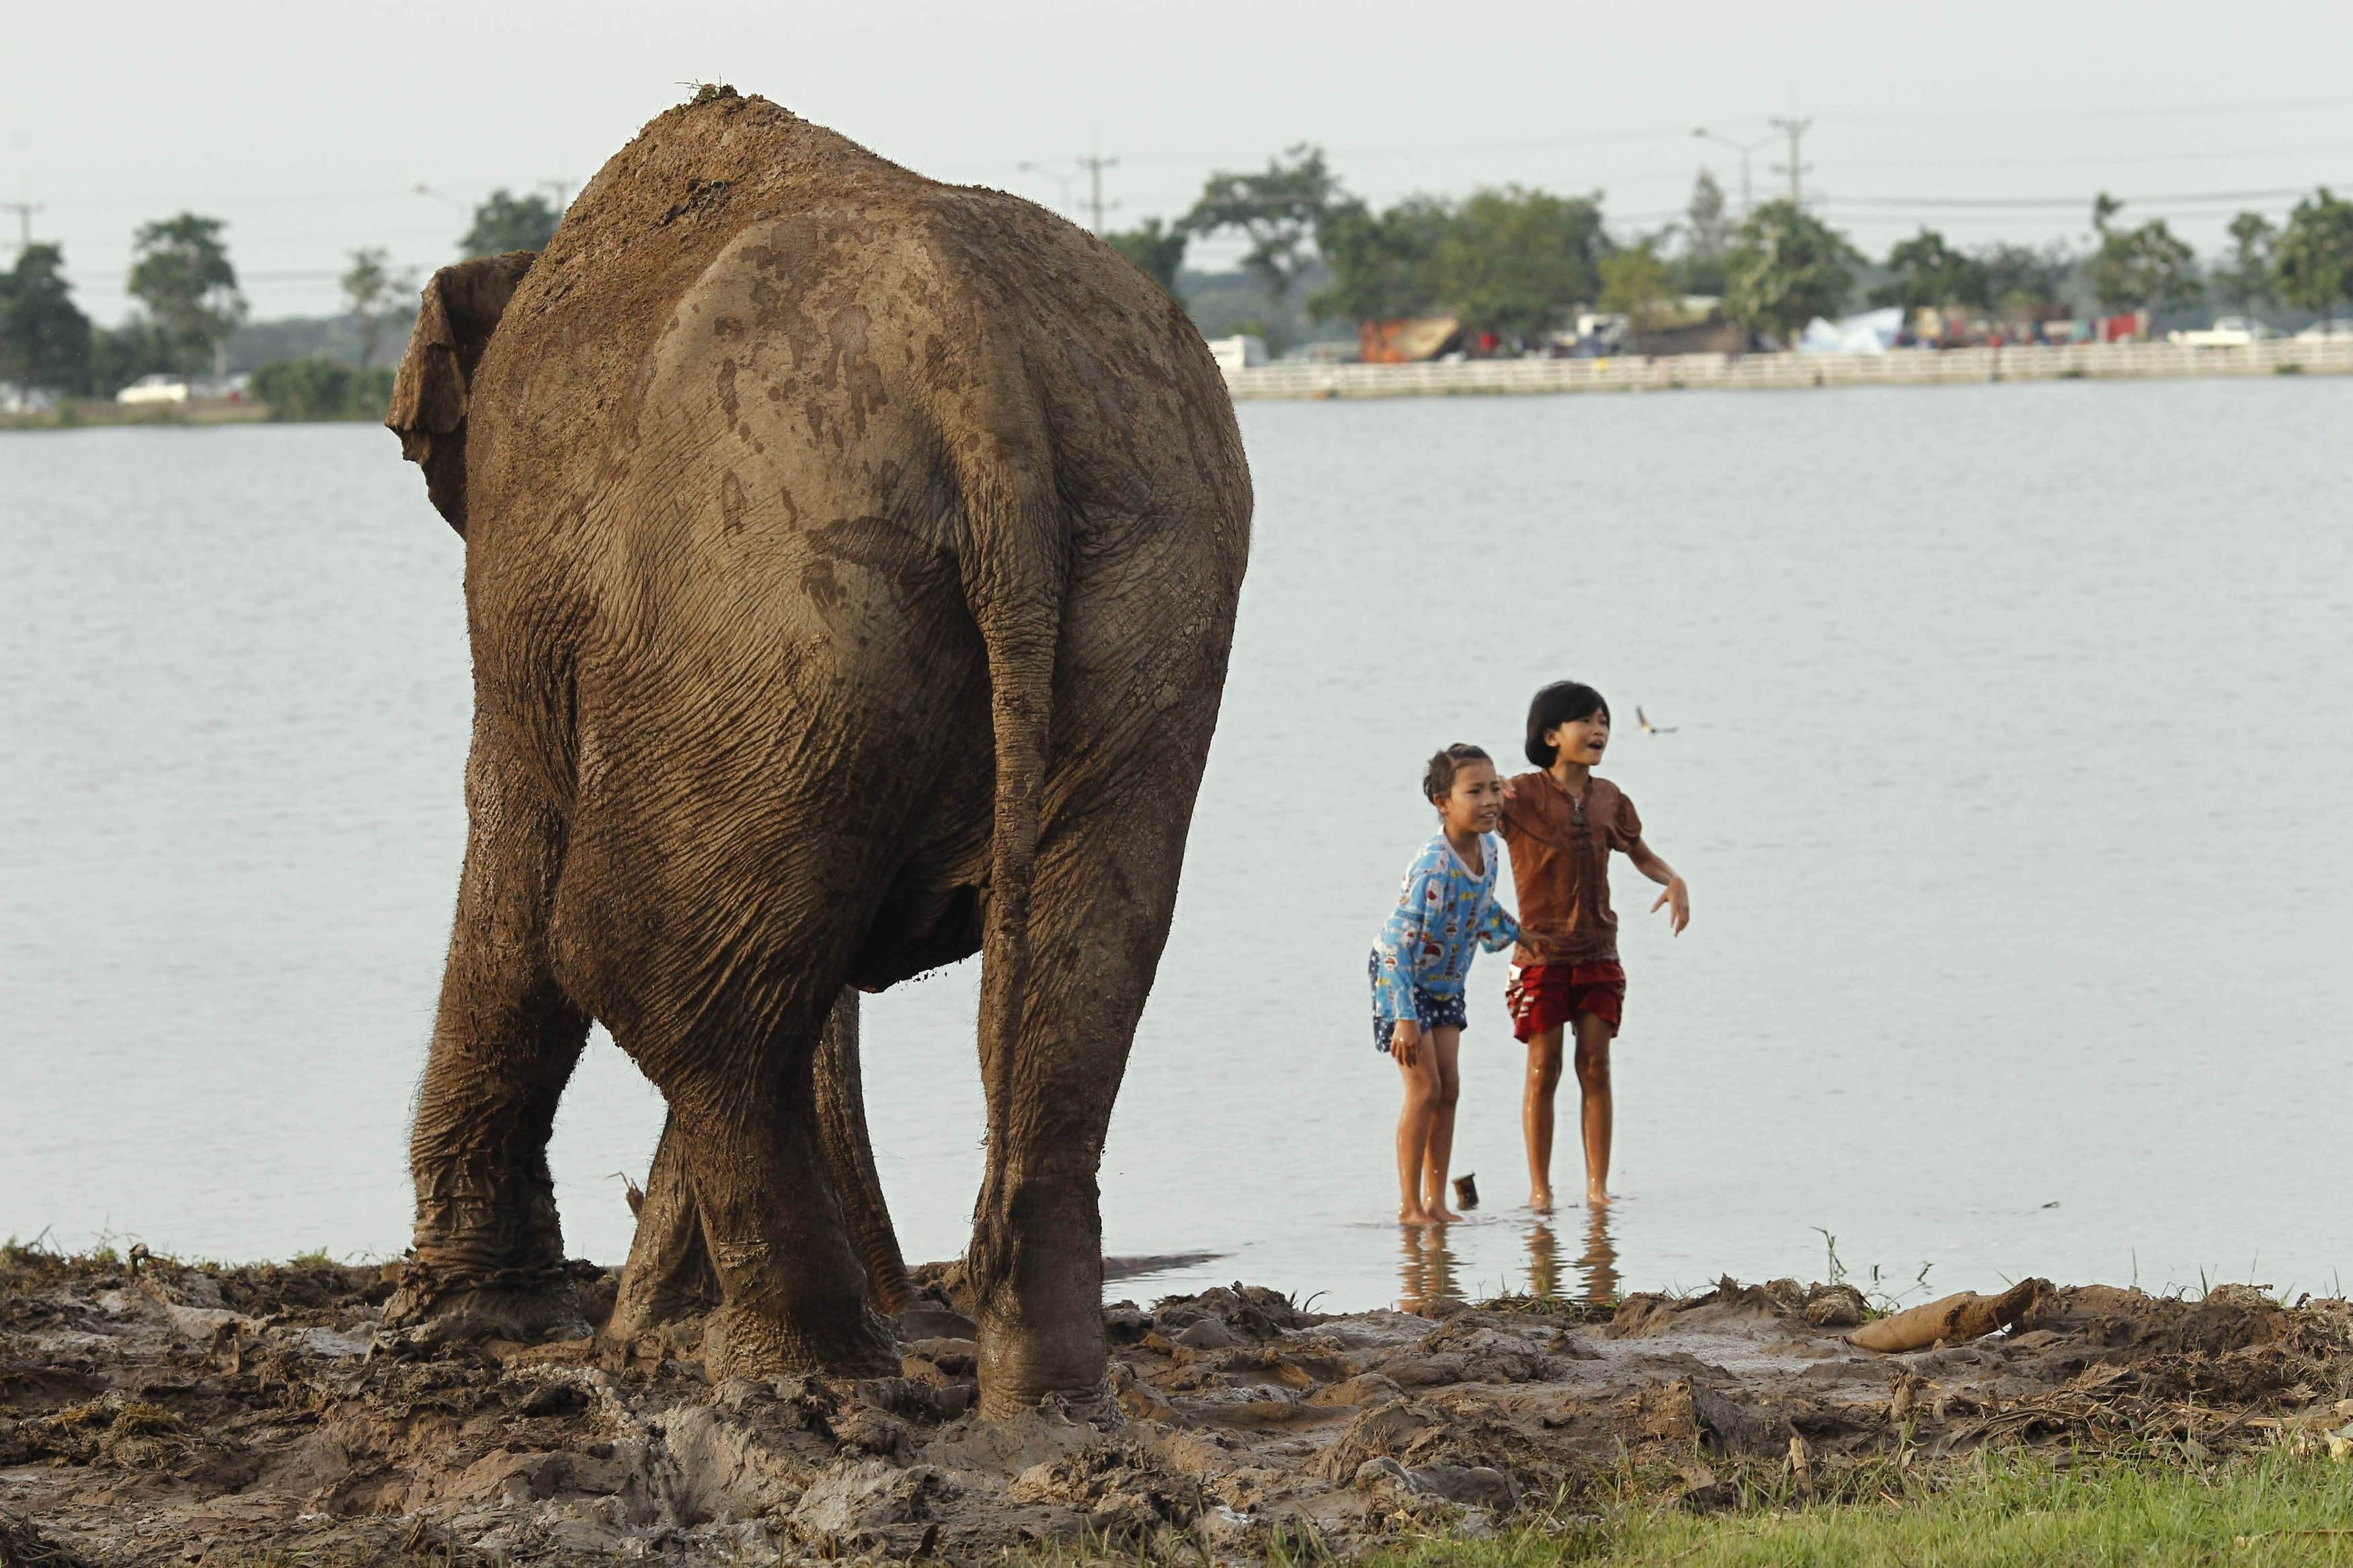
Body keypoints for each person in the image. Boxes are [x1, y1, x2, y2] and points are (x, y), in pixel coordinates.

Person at [1499, 683, 1689, 1210]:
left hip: (1599, 951)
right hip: (1540, 955)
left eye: (1604, 719)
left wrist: (1672, 879)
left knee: (1596, 1066)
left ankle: (1597, 1190)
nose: (1599, 728)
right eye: (1585, 720)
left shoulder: (1610, 798)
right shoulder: (1518, 795)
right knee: (1543, 1068)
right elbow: (1471, 810)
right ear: (1551, 735)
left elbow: (1640, 853)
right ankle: (1540, 1192)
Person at [1369, 744, 1520, 1226]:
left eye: (1494, 788)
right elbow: (1396, 942)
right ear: (1442, 801)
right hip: (1403, 978)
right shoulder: (1433, 863)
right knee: (1424, 1086)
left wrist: (1520, 936)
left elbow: (1479, 909)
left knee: (1449, 1087)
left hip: (1446, 982)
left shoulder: (1490, 849)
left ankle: (1438, 1201)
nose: (1490, 799)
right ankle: (1410, 1206)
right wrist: (1404, 1020)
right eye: (1474, 791)